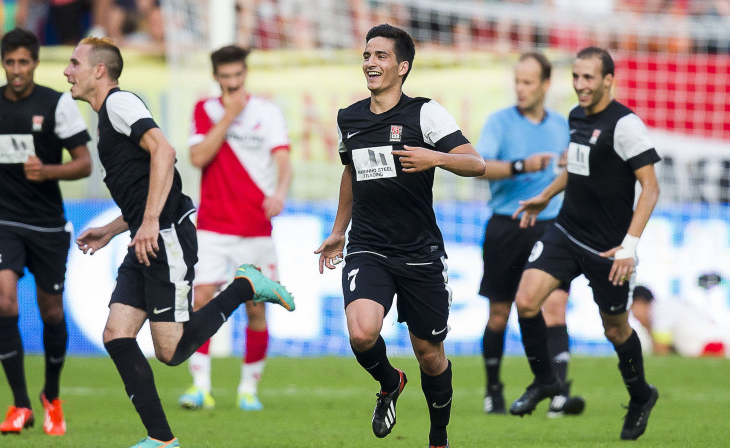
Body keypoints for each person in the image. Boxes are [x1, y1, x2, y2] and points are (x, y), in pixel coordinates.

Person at [64, 36, 294, 448]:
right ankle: (161, 439)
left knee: (171, 351)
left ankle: (246, 286)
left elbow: (165, 152)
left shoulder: (118, 103)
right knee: (117, 335)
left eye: (74, 63)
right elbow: (144, 186)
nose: (67, 71)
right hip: (146, 235)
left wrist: (149, 221)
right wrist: (116, 227)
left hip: (165, 234)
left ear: (99, 70)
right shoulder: (108, 116)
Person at [315, 24, 485, 448]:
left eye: (381, 56)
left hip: (420, 253)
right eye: (368, 55)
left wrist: (436, 157)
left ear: (402, 67)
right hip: (368, 247)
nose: (371, 63)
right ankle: (390, 382)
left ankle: (438, 438)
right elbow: (351, 173)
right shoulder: (349, 118)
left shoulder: (425, 113)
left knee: (430, 355)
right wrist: (339, 230)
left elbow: (476, 164)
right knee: (361, 332)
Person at [510, 46, 660, 441]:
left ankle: (641, 395)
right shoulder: (576, 116)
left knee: (615, 330)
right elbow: (577, 169)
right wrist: (546, 194)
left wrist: (629, 245)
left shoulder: (625, 125)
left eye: (589, 77)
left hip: (608, 248)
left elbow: (650, 187)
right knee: (526, 301)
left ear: (608, 80)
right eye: (576, 76)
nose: (580, 85)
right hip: (566, 230)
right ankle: (546, 381)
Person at [0, 28, 92, 436]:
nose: (16, 71)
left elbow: (84, 163)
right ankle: (20, 405)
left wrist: (48, 171)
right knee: (6, 304)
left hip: (47, 223)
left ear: (35, 63)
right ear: (3, 63)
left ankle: (51, 396)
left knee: (51, 311)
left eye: (24, 62)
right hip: (0, 217)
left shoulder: (57, 105)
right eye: (10, 63)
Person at [179, 44, 293, 412]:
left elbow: (283, 160)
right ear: (216, 78)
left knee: (256, 309)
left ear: (245, 74)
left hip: (255, 227)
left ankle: (248, 390)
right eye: (225, 77)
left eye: (237, 75)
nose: (232, 82)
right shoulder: (205, 110)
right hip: (212, 226)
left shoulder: (268, 112)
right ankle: (200, 387)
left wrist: (280, 192)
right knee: (201, 299)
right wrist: (227, 118)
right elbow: (198, 158)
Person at [476, 51, 584, 417]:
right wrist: (523, 165)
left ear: (546, 85)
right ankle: (493, 390)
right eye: (517, 81)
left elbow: (582, 170)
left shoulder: (563, 125)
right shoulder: (499, 122)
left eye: (528, 82)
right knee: (499, 315)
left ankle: (558, 393)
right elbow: (480, 166)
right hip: (507, 224)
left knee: (554, 307)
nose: (520, 89)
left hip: (552, 226)